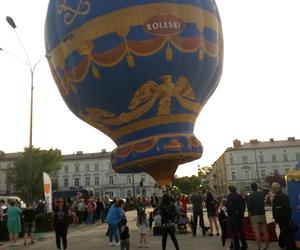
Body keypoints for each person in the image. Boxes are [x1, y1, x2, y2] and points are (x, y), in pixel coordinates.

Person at [271, 182, 296, 249]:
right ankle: (283, 244)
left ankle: (289, 246)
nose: (271, 189)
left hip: (283, 219)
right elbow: (286, 209)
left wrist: (277, 219)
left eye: (272, 188)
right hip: (284, 219)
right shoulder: (283, 196)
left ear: (276, 188)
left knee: (286, 234)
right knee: (285, 233)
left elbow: (278, 209)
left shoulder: (278, 197)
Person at [247, 182, 269, 250]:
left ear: (251, 188)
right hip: (262, 214)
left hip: (254, 215)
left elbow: (249, 207)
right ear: (257, 187)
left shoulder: (250, 196)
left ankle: (259, 247)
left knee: (257, 232)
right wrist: (260, 186)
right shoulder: (261, 194)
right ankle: (267, 247)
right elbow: (267, 190)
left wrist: (249, 214)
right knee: (265, 231)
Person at [226, 185, 247, 250]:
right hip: (240, 216)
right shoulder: (239, 196)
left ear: (229, 190)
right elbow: (244, 205)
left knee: (234, 232)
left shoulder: (230, 196)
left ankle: (237, 246)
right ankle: (244, 245)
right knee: (241, 231)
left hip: (233, 217)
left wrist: (235, 212)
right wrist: (241, 213)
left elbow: (229, 206)